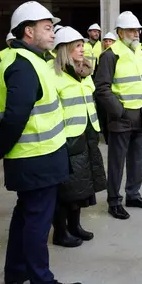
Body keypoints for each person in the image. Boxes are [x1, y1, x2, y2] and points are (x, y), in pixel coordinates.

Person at [0, 1, 83, 284]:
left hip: (35, 156)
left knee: (25, 215)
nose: (52, 32)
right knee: (37, 222)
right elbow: (15, 115)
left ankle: (15, 272)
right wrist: (0, 148)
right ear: (28, 31)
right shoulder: (22, 65)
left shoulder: (27, 59)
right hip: (36, 157)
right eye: (47, 27)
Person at [94, 11, 142, 220]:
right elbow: (102, 88)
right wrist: (119, 111)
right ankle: (114, 201)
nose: (136, 34)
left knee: (137, 158)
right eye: (131, 30)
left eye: (137, 30)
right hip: (122, 117)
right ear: (120, 32)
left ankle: (133, 194)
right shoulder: (110, 55)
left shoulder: (138, 51)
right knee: (117, 161)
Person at [50, 26, 107, 247]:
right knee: (67, 188)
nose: (82, 50)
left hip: (87, 133)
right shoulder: (55, 75)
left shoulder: (83, 72)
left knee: (82, 185)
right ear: (65, 50)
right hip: (67, 137)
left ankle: (75, 226)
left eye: (83, 45)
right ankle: (61, 232)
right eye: (78, 46)